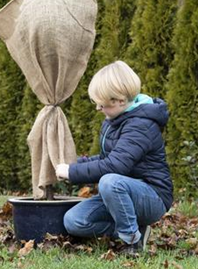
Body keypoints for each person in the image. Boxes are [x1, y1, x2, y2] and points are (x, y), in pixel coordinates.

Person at [55, 60, 173, 255]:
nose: (98, 109)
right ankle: (136, 231)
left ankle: (132, 243)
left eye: (102, 104)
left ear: (120, 101)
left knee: (109, 181)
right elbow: (106, 157)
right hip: (121, 194)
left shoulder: (140, 125)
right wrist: (75, 164)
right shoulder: (115, 119)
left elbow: (115, 166)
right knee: (74, 221)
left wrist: (72, 172)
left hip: (152, 197)